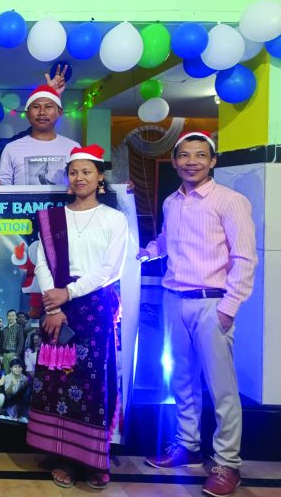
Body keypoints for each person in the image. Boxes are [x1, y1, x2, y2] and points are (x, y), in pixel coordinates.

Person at [140, 131, 257, 497]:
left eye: (200, 155)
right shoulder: (172, 202)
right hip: (174, 299)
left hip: (212, 303)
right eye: (185, 155)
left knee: (222, 389)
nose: (192, 161)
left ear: (213, 161)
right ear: (174, 162)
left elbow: (244, 258)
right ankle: (187, 445)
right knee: (182, 381)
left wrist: (229, 307)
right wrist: (149, 251)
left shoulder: (230, 201)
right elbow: (167, 241)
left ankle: (227, 462)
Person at [26, 144, 128, 490]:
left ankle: (94, 459)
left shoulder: (114, 219)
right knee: (58, 382)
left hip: (95, 307)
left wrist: (68, 294)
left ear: (100, 177)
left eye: (86, 171)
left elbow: (110, 269)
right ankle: (64, 457)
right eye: (73, 172)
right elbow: (42, 263)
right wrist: (54, 307)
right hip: (57, 307)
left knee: (93, 382)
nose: (79, 177)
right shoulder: (52, 217)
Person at [0, 85, 80, 188]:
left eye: (48, 107)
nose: (42, 112)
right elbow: (2, 184)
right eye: (36, 107)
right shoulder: (12, 148)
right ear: (27, 113)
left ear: (59, 112)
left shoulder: (73, 147)